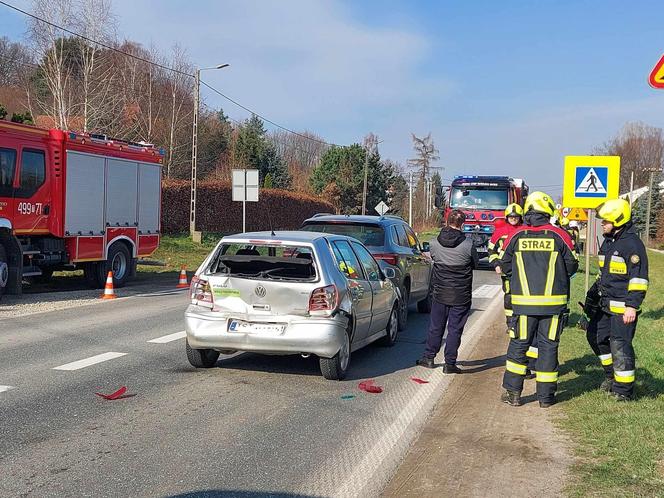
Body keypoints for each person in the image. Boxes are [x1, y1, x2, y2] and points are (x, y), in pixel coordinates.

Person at [499, 191, 579, 408]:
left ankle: (514, 394)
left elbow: (504, 266)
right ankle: (546, 398)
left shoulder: (517, 236)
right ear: (548, 212)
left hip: (524, 304)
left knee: (519, 345)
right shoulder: (560, 235)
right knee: (548, 347)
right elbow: (573, 266)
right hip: (553, 306)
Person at [583, 199, 648, 401]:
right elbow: (604, 274)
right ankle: (611, 376)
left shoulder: (632, 245)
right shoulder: (609, 242)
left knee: (620, 345)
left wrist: (631, 306)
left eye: (606, 221)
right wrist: (592, 296)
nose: (602, 223)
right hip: (605, 304)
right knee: (595, 336)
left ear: (618, 221)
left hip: (623, 306)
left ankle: (624, 391)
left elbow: (639, 279)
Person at [416, 209, 479, 373]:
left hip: (439, 292)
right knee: (455, 329)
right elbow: (475, 263)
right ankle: (449, 364)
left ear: (446, 221)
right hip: (461, 295)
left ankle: (429, 357)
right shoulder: (468, 244)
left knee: (436, 327)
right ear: (463, 224)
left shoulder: (434, 243)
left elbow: (434, 259)